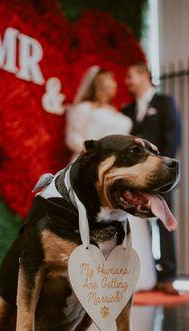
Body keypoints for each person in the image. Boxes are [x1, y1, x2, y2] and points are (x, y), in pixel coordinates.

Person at [66, 66, 156, 291]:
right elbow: (72, 138)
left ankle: (127, 274)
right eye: (112, 80)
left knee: (125, 219)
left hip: (120, 174)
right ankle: (87, 273)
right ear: (100, 84)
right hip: (91, 169)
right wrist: (98, 157)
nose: (117, 85)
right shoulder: (84, 109)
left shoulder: (121, 115)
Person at [122, 62, 181, 294]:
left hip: (158, 175)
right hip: (134, 178)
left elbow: (172, 139)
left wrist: (161, 173)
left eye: (130, 76)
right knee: (138, 222)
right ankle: (148, 273)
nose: (127, 81)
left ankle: (168, 276)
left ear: (144, 75)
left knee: (164, 221)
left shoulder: (164, 103)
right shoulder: (126, 110)